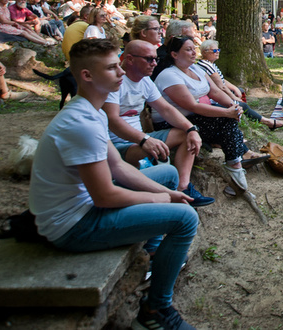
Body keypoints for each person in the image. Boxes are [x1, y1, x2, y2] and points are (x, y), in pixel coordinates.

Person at [28, 39, 199, 330]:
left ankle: (154, 252)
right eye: (111, 67)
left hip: (87, 206)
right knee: (185, 219)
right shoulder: (81, 123)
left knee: (168, 175)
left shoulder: (92, 111)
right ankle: (156, 310)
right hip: (74, 225)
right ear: (87, 75)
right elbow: (105, 196)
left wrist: (166, 192)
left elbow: (117, 167)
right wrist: (161, 200)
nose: (121, 72)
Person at [103, 40, 214, 206]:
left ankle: (182, 188)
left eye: (156, 59)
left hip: (140, 139)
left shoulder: (145, 81)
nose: (154, 63)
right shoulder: (115, 83)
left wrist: (191, 129)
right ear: (130, 59)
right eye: (149, 59)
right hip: (115, 146)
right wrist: (144, 140)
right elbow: (113, 120)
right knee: (153, 154)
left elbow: (166, 109)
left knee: (185, 134)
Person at [151, 37, 250, 191]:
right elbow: (192, 105)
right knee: (226, 120)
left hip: (195, 117)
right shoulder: (169, 75)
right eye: (188, 49)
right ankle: (235, 165)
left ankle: (235, 163)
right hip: (174, 121)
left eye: (193, 48)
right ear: (174, 54)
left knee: (229, 122)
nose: (193, 52)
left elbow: (215, 91)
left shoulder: (196, 69)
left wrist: (233, 106)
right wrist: (227, 112)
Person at [195, 40, 283, 131]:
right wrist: (233, 97)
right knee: (242, 105)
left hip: (218, 93)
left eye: (218, 50)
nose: (217, 52)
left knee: (240, 91)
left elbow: (222, 79)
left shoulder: (210, 64)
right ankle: (268, 122)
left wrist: (235, 88)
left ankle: (243, 116)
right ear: (204, 52)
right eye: (214, 50)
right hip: (213, 98)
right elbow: (221, 86)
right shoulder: (206, 65)